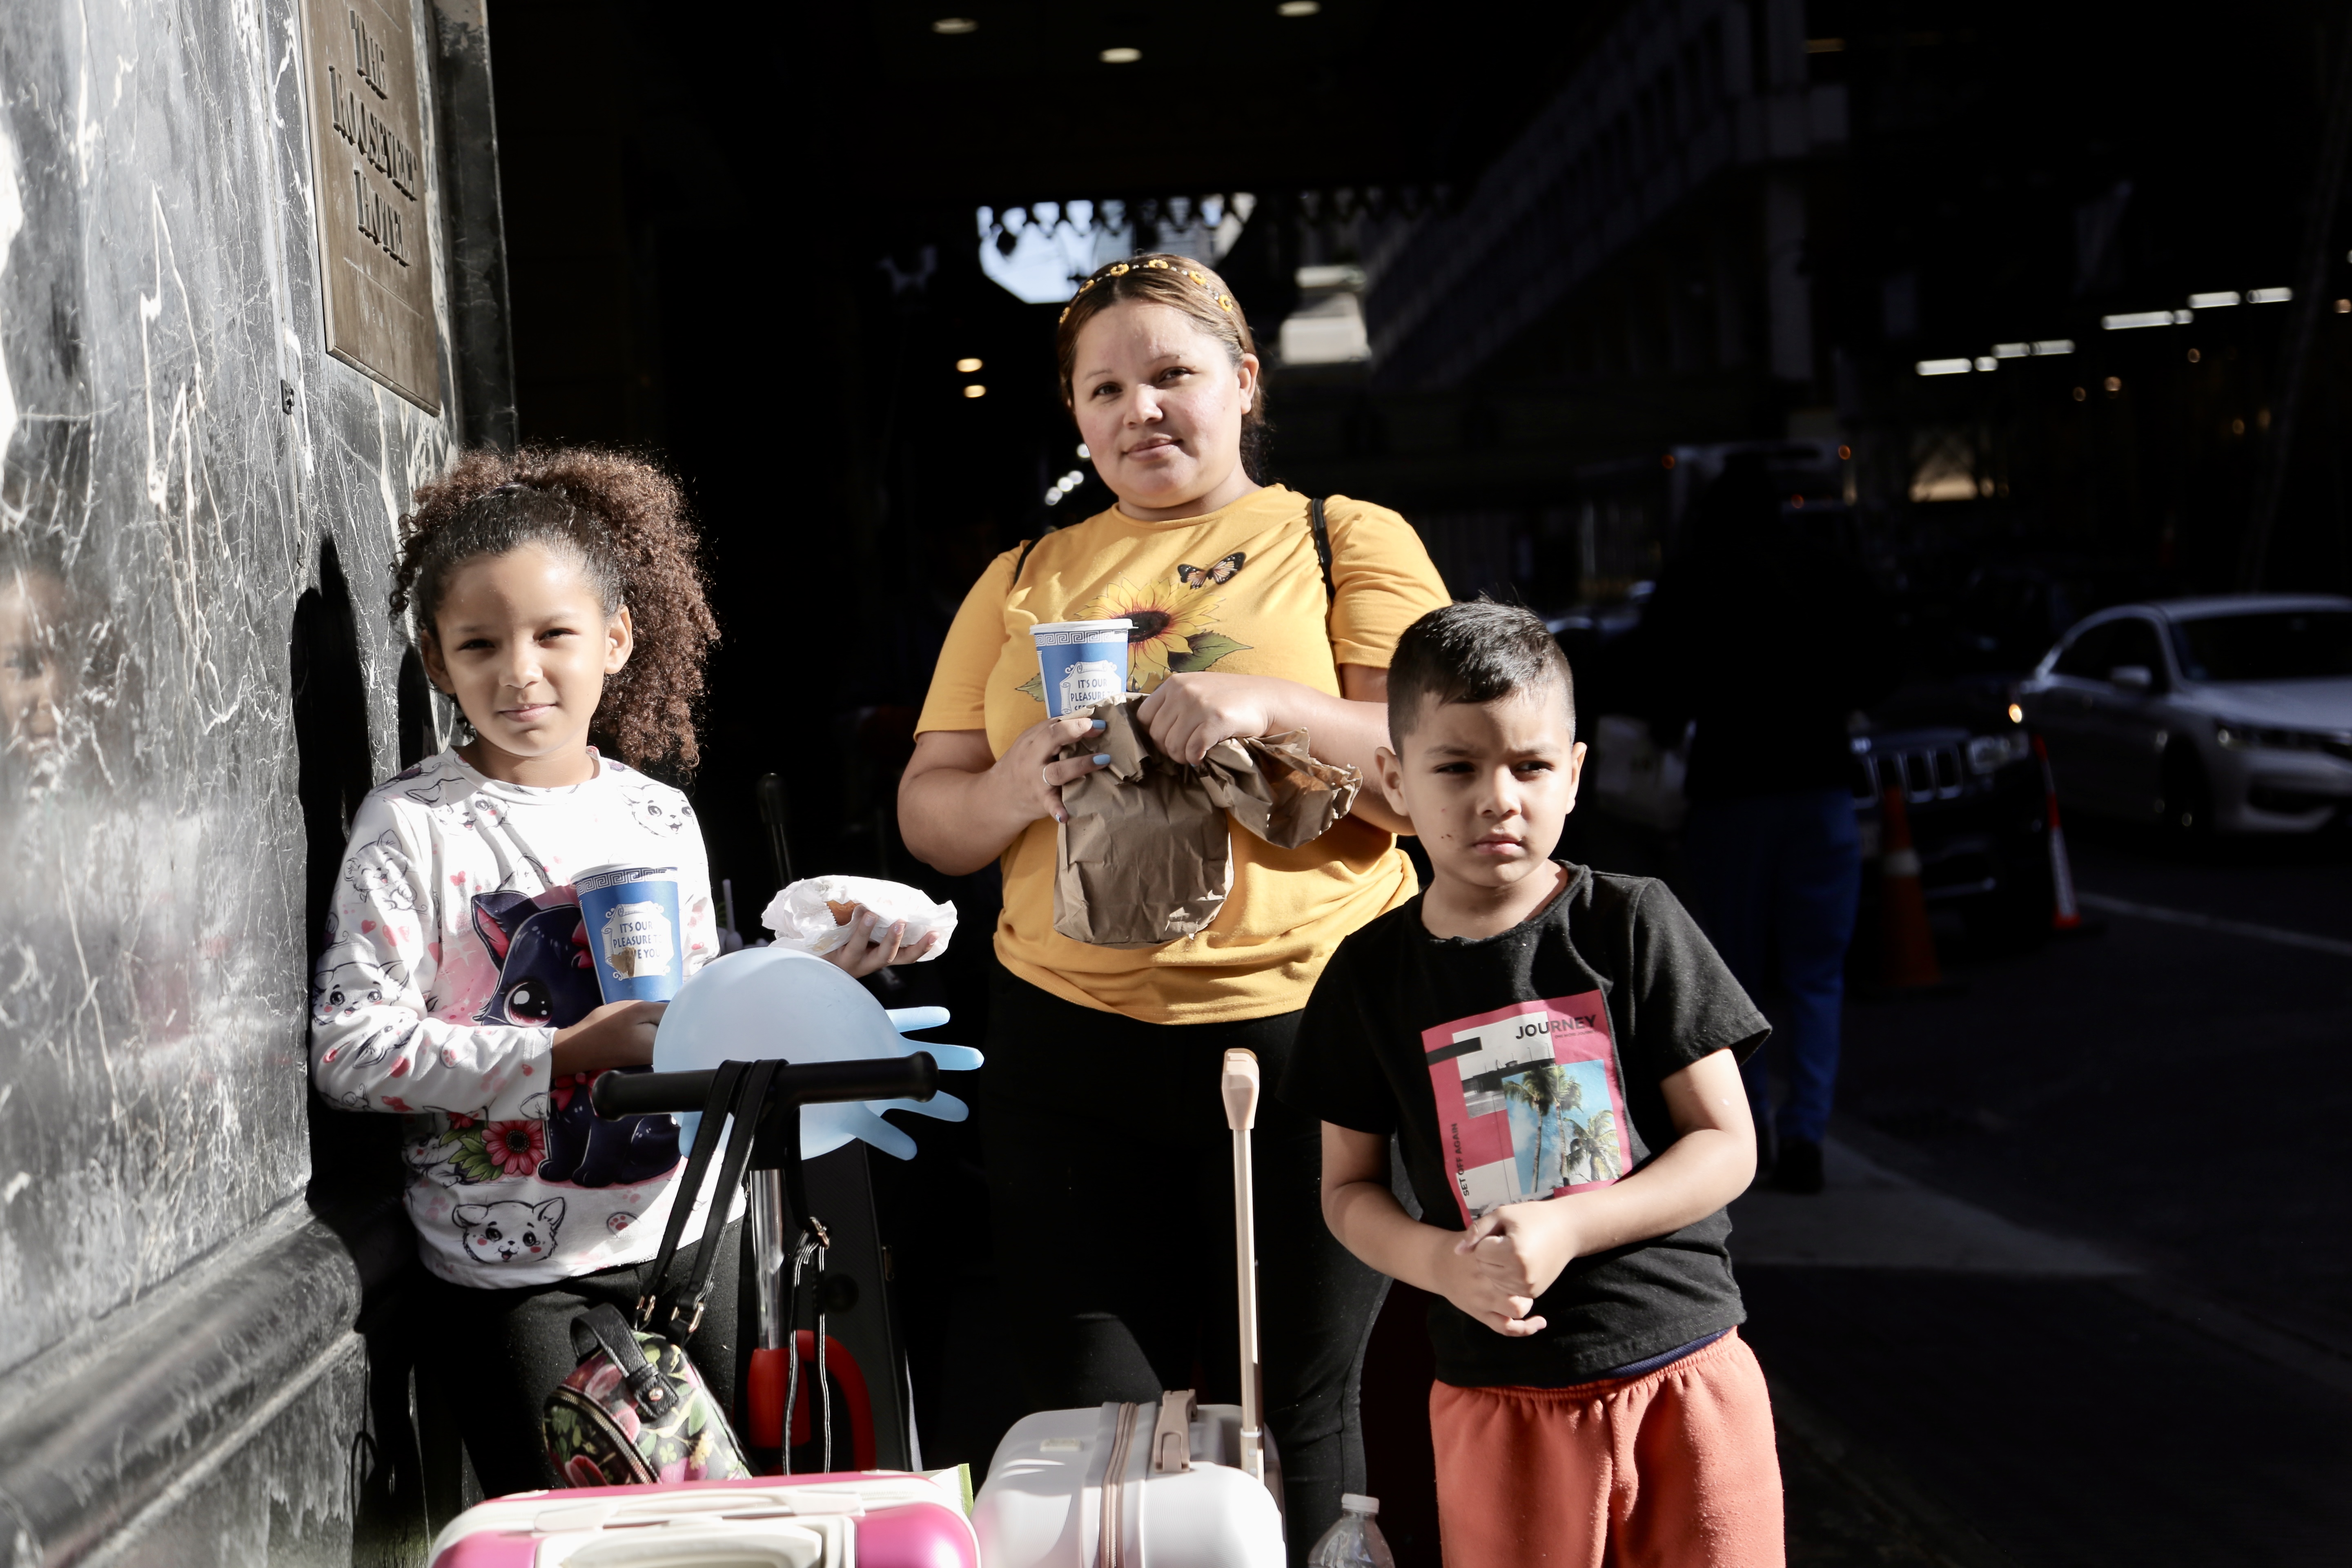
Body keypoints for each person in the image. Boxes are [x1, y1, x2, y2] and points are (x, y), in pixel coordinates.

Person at [898, 253, 1450, 1552]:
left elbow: (1433, 778)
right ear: (1076, 417)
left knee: (1297, 1415)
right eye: (1105, 390)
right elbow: (930, 812)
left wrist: (1269, 704)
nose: (1139, 409)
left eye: (1171, 375)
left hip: (1309, 1038)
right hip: (1066, 1052)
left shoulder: (1344, 540)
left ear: (1244, 383)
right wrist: (1014, 788)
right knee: (1100, 1438)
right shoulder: (1025, 575)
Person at [312, 448, 919, 1497]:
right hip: (516, 1276)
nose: (520, 672)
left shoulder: (658, 812)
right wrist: (562, 1052)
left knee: (744, 1531)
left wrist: (810, 972)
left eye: (554, 634)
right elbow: (350, 1052)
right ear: (436, 659)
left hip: (698, 1237)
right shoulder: (409, 825)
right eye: (480, 644)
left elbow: (693, 1016)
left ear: (617, 638)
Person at [1281, 600, 1783, 1568]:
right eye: (1456, 768)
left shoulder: (1633, 923)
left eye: (1530, 767)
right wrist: (1442, 1265)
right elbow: (1347, 1192)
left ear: (1576, 774)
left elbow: (1727, 1145)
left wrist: (1570, 1226)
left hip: (1683, 1371)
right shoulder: (1368, 978)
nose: (1497, 799)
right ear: (1395, 778)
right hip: (1496, 1401)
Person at [1642, 455, 1898, 1194]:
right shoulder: (1828, 572)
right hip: (1820, 785)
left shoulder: (1697, 577)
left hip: (1731, 794)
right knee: (1818, 974)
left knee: (1732, 978)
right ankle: (1807, 1132)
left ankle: (1747, 1134)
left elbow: (1655, 681)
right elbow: (1885, 661)